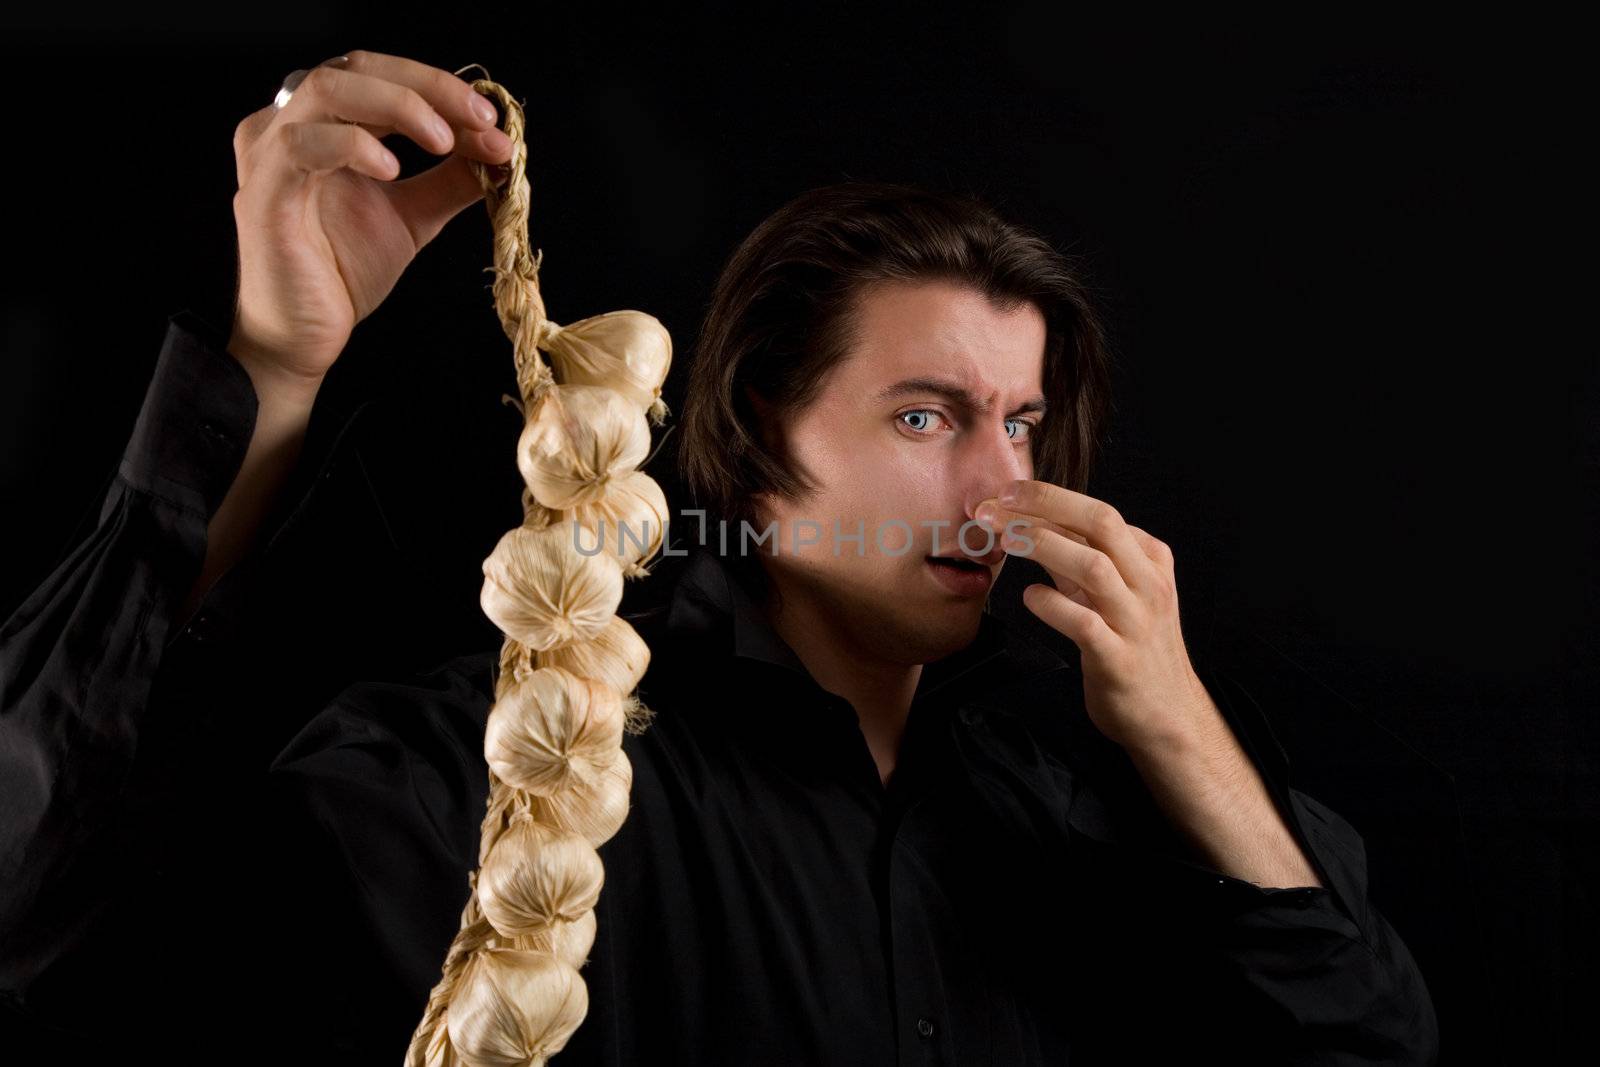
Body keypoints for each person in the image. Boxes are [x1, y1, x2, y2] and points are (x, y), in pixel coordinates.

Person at [0, 50, 1439, 1065]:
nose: (1005, 483)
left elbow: (1366, 1037)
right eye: (929, 415)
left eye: (1026, 423)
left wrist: (1176, 723)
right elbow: (45, 930)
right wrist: (274, 370)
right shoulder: (501, 772)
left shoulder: (1062, 821)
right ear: (759, 434)